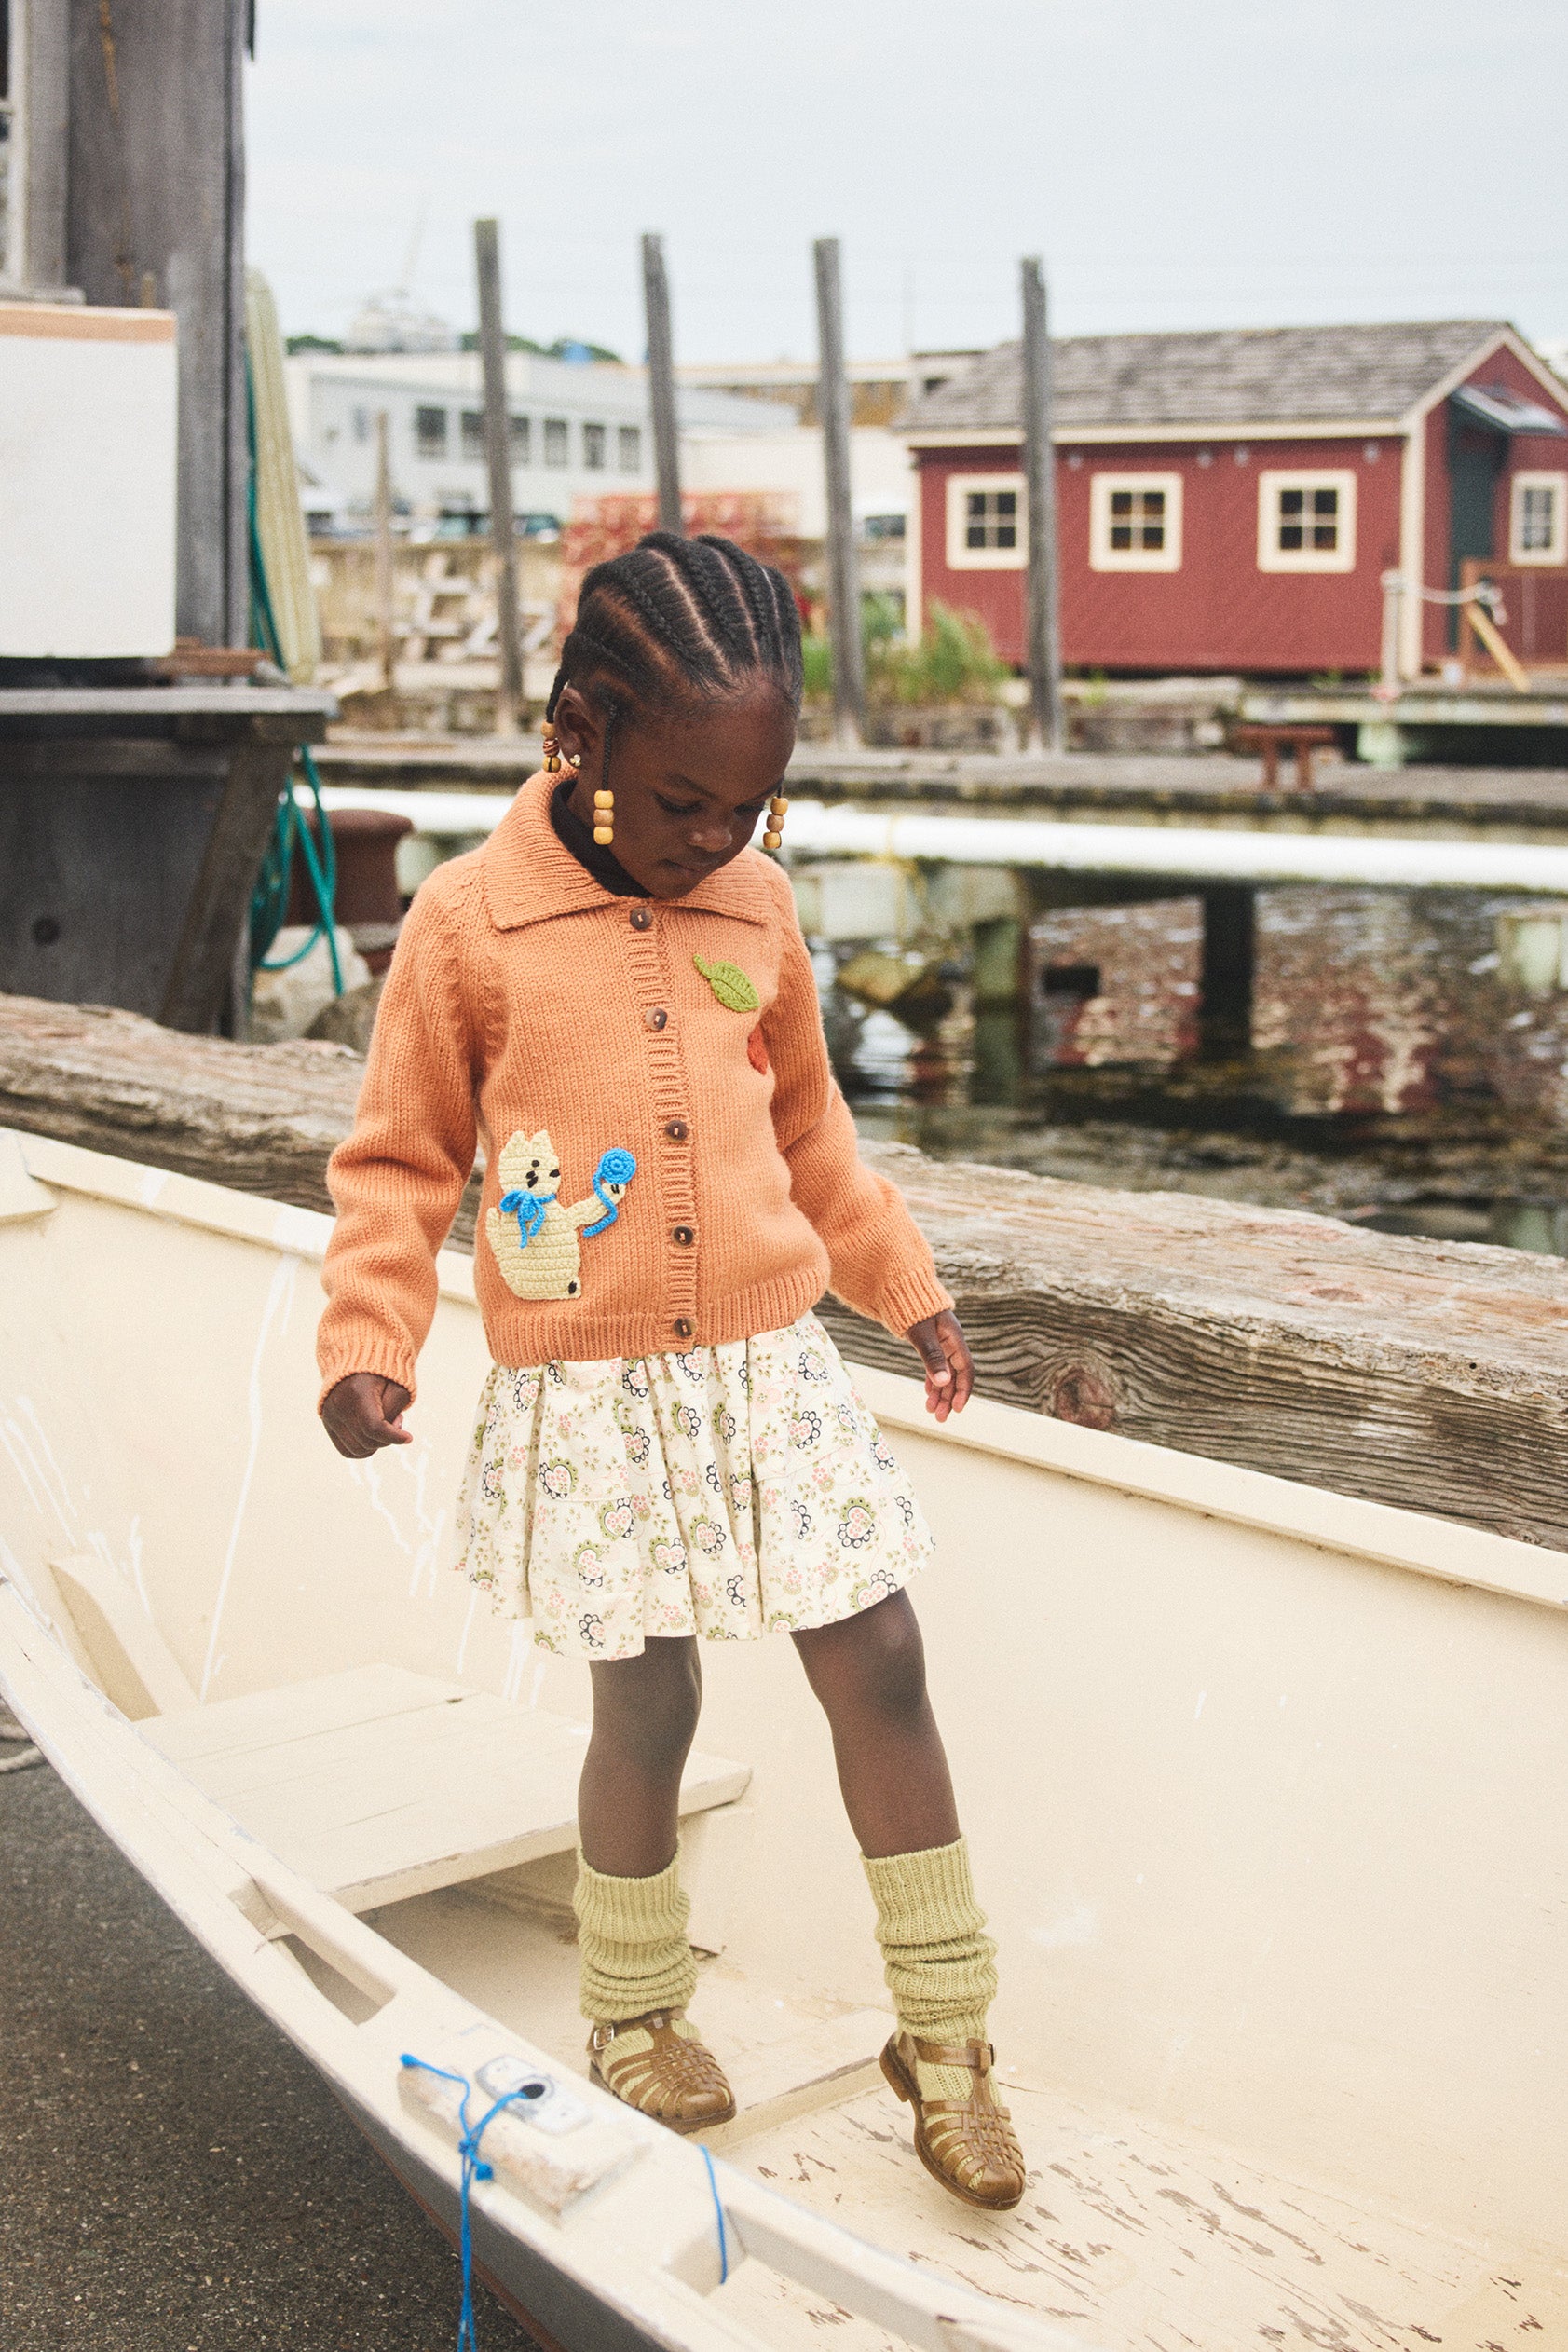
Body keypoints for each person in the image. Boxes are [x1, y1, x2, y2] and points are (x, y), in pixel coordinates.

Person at [316, 531, 1026, 2212]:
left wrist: (903, 1286)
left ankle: (947, 2037)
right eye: (688, 802)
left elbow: (814, 1135)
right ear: (580, 733)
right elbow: (400, 1161)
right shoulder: (469, 922)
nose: (719, 839)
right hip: (589, 1384)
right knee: (649, 1698)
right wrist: (368, 1341)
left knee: (883, 1656)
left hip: (770, 1365)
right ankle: (636, 2012)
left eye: (754, 808)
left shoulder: (757, 906)